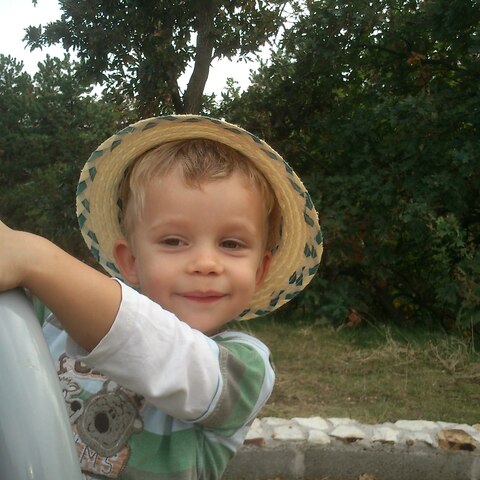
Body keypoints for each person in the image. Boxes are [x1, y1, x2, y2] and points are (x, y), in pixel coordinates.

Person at [0, 115, 322, 479]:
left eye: (231, 244)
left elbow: (167, 354)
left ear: (260, 271)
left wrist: (38, 260)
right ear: (131, 261)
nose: (205, 263)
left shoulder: (244, 370)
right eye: (173, 241)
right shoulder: (47, 315)